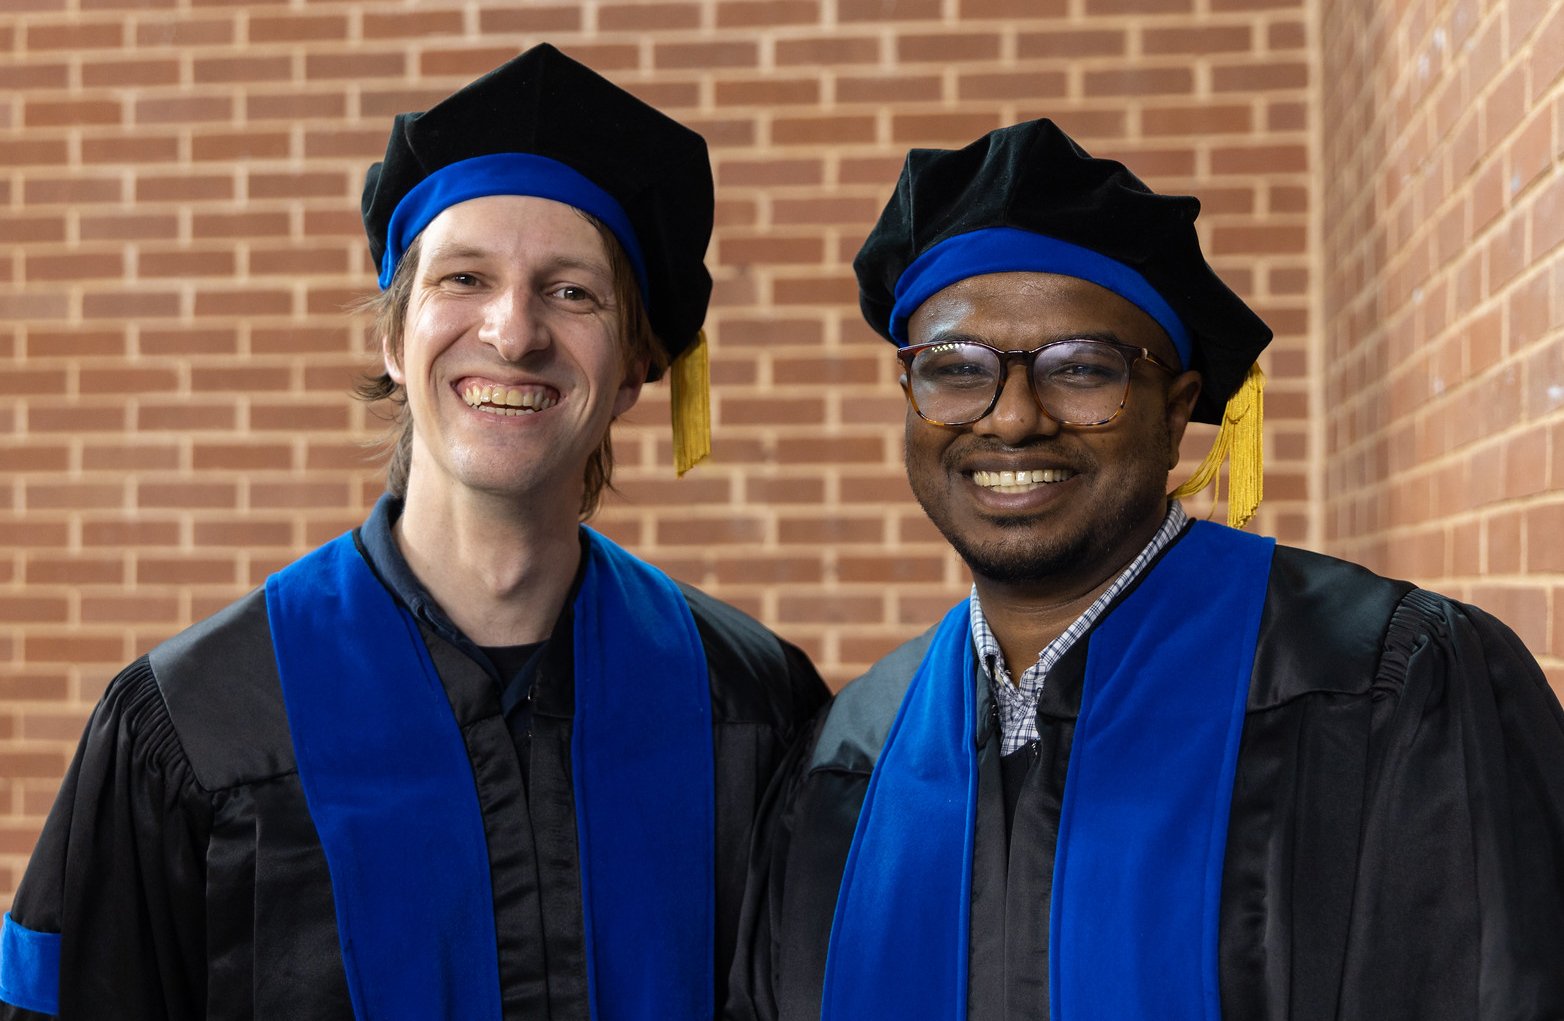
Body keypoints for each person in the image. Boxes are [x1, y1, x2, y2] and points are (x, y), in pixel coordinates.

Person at [0, 44, 827, 1021]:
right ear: (393, 339)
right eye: (464, 278)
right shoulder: (195, 724)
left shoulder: (751, 708)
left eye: (572, 291)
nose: (514, 332)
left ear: (638, 362)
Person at [725, 119, 1564, 1020]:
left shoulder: (1385, 686)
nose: (1010, 419)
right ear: (910, 402)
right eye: (955, 367)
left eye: (1082, 369)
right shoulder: (849, 755)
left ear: (1177, 411)